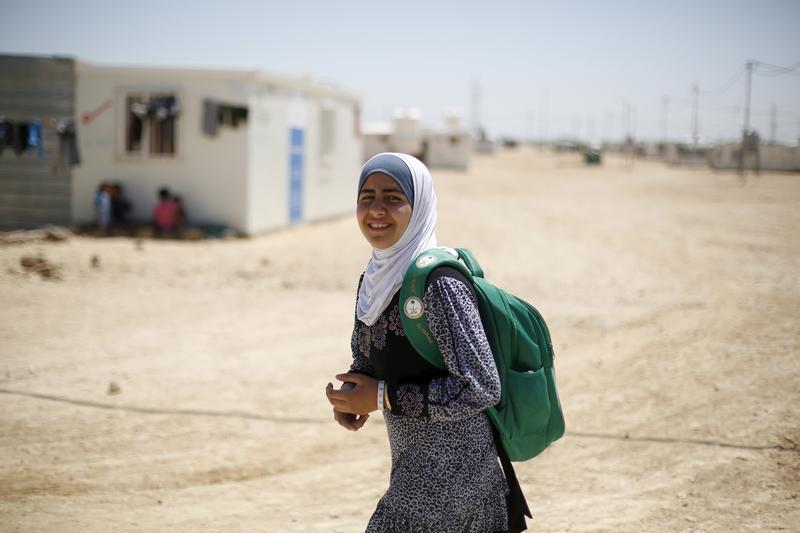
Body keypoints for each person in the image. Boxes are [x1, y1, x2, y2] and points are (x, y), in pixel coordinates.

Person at [325, 153, 526, 532]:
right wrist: (354, 393)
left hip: (457, 480)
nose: (376, 209)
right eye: (366, 197)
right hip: (413, 474)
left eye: (392, 197)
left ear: (419, 207)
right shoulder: (373, 280)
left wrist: (382, 396)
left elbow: (481, 386)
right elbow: (372, 355)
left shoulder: (440, 283)